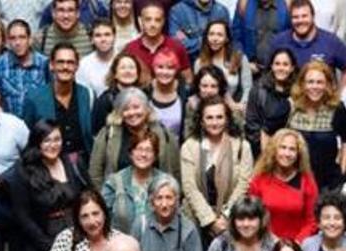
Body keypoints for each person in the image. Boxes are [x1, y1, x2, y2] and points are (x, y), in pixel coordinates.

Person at [0, 121, 90, 251]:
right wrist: (48, 245)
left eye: (57, 139)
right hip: (42, 238)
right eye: (46, 140)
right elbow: (22, 216)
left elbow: (89, 195)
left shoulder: (73, 162)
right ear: (37, 142)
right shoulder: (24, 170)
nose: (53, 145)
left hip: (77, 234)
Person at [181, 96, 254, 238]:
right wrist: (210, 220)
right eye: (209, 118)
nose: (215, 122)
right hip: (195, 220)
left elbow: (244, 184)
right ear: (201, 121)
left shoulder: (242, 146)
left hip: (231, 220)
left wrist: (225, 217)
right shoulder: (189, 147)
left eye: (219, 117)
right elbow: (189, 187)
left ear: (227, 119)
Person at [91, 87, 183, 189]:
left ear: (147, 109)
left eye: (136, 107)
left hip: (157, 200)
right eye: (126, 109)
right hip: (117, 199)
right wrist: (104, 200)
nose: (132, 113)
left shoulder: (163, 134)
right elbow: (95, 173)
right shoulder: (108, 134)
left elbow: (175, 172)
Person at [22, 44, 97, 163]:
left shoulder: (88, 95)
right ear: (51, 65)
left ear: (77, 66)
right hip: (47, 167)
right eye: (60, 62)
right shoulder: (34, 98)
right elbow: (26, 138)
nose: (65, 67)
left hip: (83, 168)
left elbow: (94, 136)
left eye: (70, 62)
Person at [134, 176, 204, 251]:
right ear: (151, 201)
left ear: (177, 200)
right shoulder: (141, 224)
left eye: (169, 198)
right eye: (159, 198)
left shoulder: (188, 228)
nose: (164, 204)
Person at [287, 60, 346, 191]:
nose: (315, 87)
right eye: (310, 82)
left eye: (319, 82)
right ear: (302, 84)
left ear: (327, 85)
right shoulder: (291, 107)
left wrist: (342, 168)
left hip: (327, 183)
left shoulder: (336, 108)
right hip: (294, 181)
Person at [247, 128, 319, 241]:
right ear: (274, 150)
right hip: (264, 244)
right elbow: (253, 216)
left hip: (297, 247)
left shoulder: (307, 181)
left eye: (292, 149)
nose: (287, 153)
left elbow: (312, 221)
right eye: (283, 147)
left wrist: (296, 244)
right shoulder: (260, 179)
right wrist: (271, 242)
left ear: (298, 154)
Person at [104, 131, 181, 233]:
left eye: (149, 150)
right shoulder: (115, 182)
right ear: (131, 153)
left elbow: (176, 218)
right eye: (139, 149)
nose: (143, 154)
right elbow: (103, 217)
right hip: (122, 244)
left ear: (155, 155)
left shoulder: (167, 182)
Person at [269, 0, 346, 82]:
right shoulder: (279, 42)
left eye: (304, 16)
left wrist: (341, 94)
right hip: (289, 95)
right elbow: (269, 71)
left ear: (313, 16)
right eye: (295, 17)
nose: (300, 20)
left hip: (324, 95)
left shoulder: (331, 42)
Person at [0, 19, 52, 117]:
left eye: (22, 37)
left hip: (40, 125)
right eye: (13, 38)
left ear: (30, 39)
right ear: (8, 41)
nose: (17, 42)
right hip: (10, 125)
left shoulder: (44, 64)